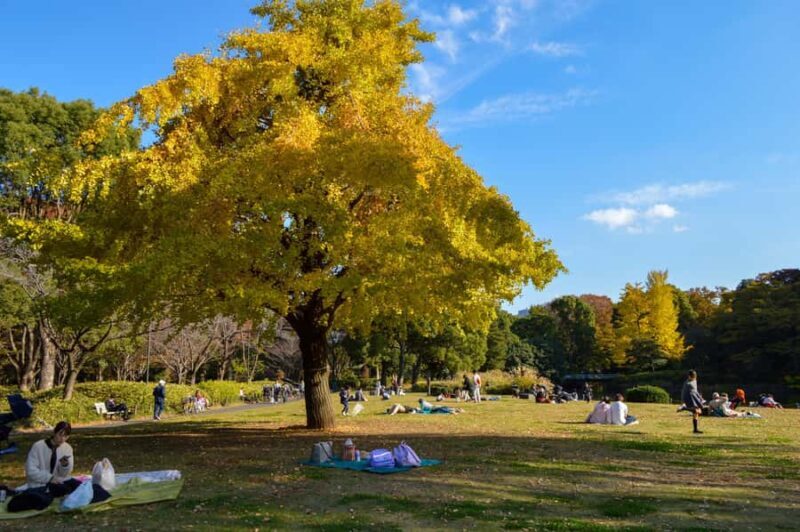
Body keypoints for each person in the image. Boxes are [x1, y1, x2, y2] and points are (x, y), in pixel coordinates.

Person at [24, 421, 79, 497]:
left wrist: (65, 466)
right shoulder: (38, 446)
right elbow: (30, 471)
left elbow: (64, 474)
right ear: (54, 432)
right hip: (41, 483)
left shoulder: (67, 448)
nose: (62, 439)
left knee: (80, 487)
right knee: (65, 490)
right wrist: (50, 478)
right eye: (60, 435)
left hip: (59, 480)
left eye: (66, 436)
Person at [682, 370, 705, 434]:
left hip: (695, 399)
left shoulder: (694, 381)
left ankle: (695, 430)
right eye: (692, 377)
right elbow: (684, 393)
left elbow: (695, 390)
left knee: (697, 413)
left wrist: (700, 398)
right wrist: (684, 401)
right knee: (696, 411)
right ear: (689, 376)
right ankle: (684, 408)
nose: (693, 378)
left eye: (694, 377)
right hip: (689, 399)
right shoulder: (687, 384)